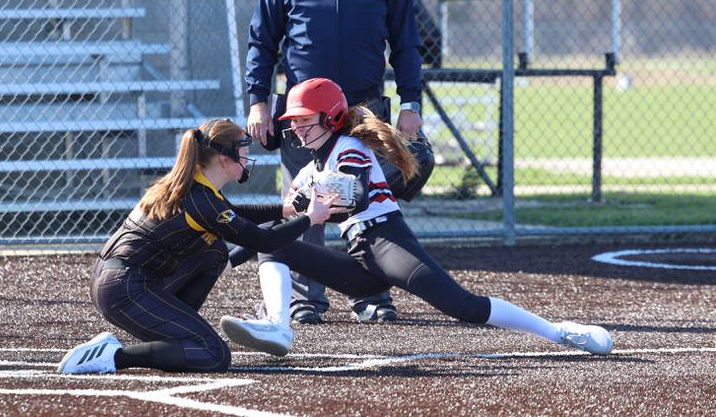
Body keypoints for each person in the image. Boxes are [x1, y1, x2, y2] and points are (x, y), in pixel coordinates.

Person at [220, 79, 614, 357]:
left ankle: (559, 332)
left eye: (305, 119)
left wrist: (311, 204)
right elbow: (283, 220)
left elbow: (354, 196)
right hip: (361, 255)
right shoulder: (310, 169)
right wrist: (223, 234)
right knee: (274, 238)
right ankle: (278, 327)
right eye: (294, 121)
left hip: (387, 243)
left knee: (467, 308)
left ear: (330, 118)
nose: (296, 128)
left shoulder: (349, 147)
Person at [245, 0, 425, 324]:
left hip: (364, 110)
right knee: (306, 204)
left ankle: (372, 295)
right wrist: (258, 101)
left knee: (366, 204)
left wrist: (410, 104)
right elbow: (261, 45)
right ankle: (305, 299)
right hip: (304, 111)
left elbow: (406, 46)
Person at [57, 118, 342, 374]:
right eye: (242, 149)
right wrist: (310, 218)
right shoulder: (202, 199)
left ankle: (175, 333)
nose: (247, 155)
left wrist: (289, 209)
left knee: (214, 251)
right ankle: (112, 357)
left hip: (119, 281)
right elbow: (262, 240)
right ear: (223, 158)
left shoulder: (197, 186)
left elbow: (235, 214)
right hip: (125, 288)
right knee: (212, 354)